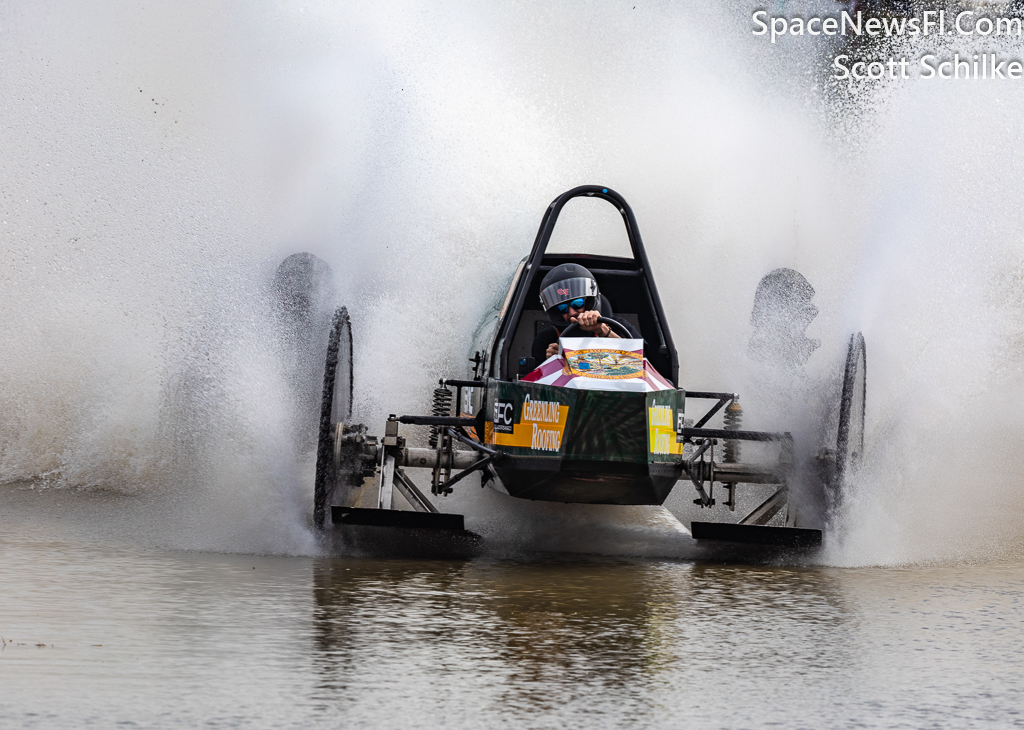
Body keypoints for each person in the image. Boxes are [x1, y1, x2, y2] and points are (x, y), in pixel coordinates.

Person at [531, 263, 641, 362]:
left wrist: (603, 330)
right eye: (562, 308)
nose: (572, 312)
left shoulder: (619, 327)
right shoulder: (547, 338)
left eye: (577, 304)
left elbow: (641, 363)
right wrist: (550, 363)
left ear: (589, 301)